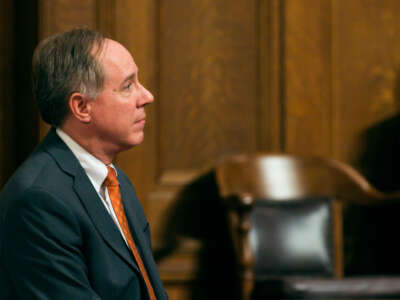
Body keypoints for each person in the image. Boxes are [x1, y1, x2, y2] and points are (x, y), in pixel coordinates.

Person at [0, 28, 168, 300]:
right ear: (81, 107)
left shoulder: (115, 180)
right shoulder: (38, 201)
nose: (147, 96)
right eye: (128, 86)